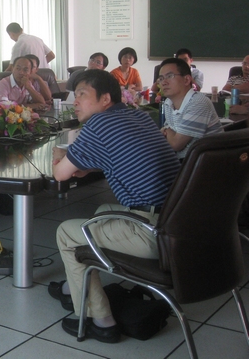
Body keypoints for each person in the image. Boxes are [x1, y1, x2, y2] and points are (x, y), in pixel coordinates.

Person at [49, 69, 180, 343]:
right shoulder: (137, 116)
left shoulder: (98, 124)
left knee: (67, 233)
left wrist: (59, 156)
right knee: (102, 213)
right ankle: (76, 285)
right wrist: (88, 165)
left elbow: (60, 175)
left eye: (82, 94)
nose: (75, 101)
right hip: (178, 224)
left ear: (105, 99)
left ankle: (100, 321)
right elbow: (126, 154)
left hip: (152, 233)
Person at [159, 58, 222, 159]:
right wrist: (168, 131)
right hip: (186, 161)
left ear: (187, 80)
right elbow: (166, 134)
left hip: (207, 163)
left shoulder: (198, 102)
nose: (163, 82)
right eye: (161, 78)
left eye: (170, 76)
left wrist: (167, 129)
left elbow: (176, 144)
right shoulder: (168, 102)